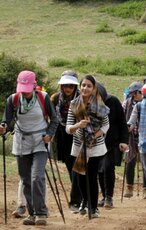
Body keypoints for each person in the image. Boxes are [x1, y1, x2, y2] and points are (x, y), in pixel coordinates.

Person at [0, 70, 59, 225]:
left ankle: (41, 213)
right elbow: (6, 120)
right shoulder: (12, 99)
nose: (25, 93)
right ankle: (32, 214)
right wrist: (3, 127)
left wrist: (49, 134)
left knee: (37, 176)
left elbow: (55, 120)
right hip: (21, 142)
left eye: (27, 90)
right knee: (26, 179)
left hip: (40, 141)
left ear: (34, 85)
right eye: (22, 90)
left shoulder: (43, 97)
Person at [66, 74, 110, 217]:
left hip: (96, 146)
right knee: (79, 177)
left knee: (91, 176)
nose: (85, 88)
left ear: (93, 88)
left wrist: (94, 136)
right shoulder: (74, 104)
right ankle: (85, 200)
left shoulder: (100, 105)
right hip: (79, 146)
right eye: (83, 85)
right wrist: (78, 125)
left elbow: (105, 125)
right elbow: (68, 128)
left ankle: (93, 207)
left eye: (89, 86)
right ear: (80, 87)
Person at [50, 70, 82, 213]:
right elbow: (51, 117)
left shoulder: (82, 97)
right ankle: (79, 195)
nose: (68, 88)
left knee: (77, 167)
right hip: (62, 134)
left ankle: (75, 200)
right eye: (65, 85)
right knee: (70, 166)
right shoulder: (55, 98)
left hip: (79, 133)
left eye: (71, 85)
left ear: (75, 86)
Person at [97, 83, 128, 208]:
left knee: (108, 167)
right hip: (97, 142)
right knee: (100, 170)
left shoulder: (113, 101)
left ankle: (109, 197)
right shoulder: (89, 103)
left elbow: (122, 122)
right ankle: (104, 196)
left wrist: (124, 140)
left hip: (112, 142)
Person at [123, 82, 146, 198]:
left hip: (144, 136)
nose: (135, 95)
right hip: (130, 137)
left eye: (137, 93)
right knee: (130, 161)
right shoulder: (126, 104)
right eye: (134, 93)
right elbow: (122, 118)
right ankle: (129, 187)